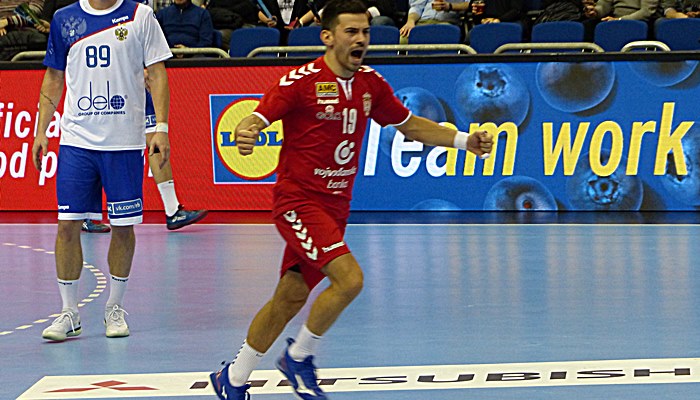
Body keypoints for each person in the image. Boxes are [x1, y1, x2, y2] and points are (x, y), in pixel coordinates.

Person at [208, 0, 493, 398]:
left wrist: (464, 140)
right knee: (350, 279)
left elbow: (410, 125)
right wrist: (249, 129)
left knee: (289, 297)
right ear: (328, 37)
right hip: (298, 203)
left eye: (365, 32)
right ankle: (299, 357)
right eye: (351, 32)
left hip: (335, 207)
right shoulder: (301, 81)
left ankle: (232, 378)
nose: (361, 40)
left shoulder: (370, 84)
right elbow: (260, 115)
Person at [31, 0, 172, 341]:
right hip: (76, 140)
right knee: (68, 225)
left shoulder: (141, 16)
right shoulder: (64, 18)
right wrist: (41, 130)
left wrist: (162, 127)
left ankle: (115, 307)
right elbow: (54, 76)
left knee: (122, 227)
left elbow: (157, 73)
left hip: (124, 141)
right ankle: (69, 312)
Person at [82, 89, 209, 233]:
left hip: (137, 91)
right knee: (99, 142)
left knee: (155, 142)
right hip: (109, 91)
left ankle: (172, 210)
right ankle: (84, 214)